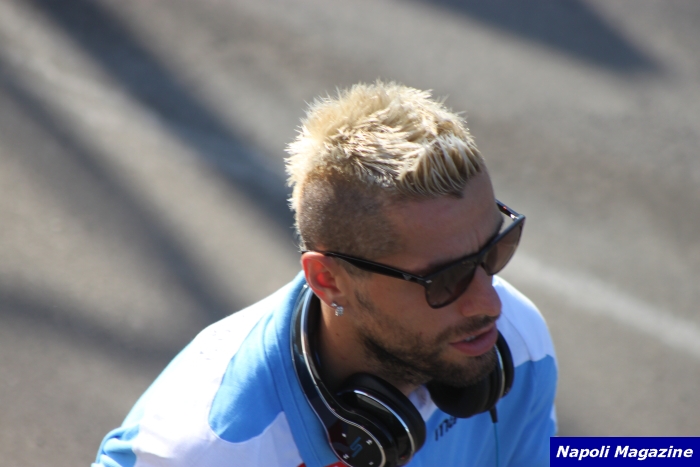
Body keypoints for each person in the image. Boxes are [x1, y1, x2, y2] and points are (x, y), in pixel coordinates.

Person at [93, 81, 557, 467]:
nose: (490, 303)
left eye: (494, 252)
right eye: (443, 280)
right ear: (329, 280)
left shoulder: (517, 341)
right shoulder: (206, 450)